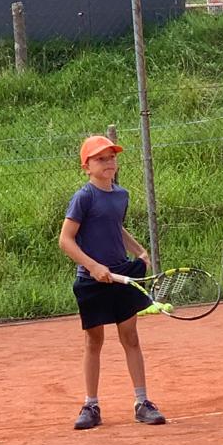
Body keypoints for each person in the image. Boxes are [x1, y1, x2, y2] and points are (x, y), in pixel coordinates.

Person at [59, 135, 167, 429]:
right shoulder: (83, 198)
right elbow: (66, 240)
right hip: (91, 280)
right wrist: (93, 266)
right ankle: (90, 405)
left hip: (121, 276)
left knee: (130, 337)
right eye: (100, 159)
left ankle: (142, 402)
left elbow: (115, 226)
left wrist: (139, 250)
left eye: (111, 157)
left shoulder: (121, 195)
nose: (108, 163)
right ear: (86, 167)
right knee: (94, 341)